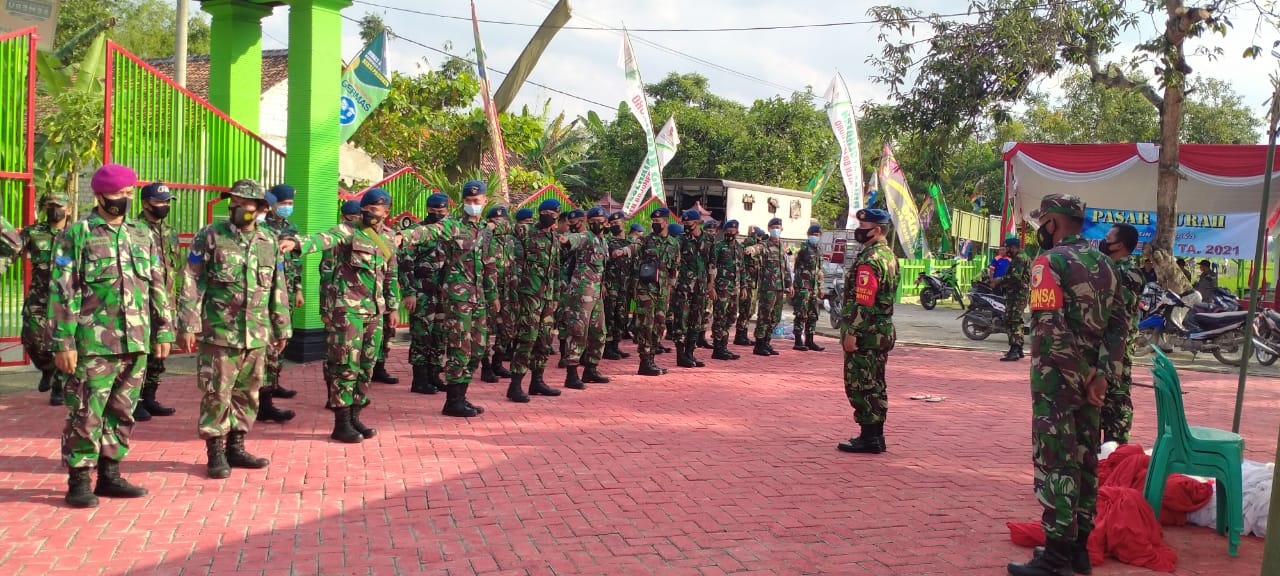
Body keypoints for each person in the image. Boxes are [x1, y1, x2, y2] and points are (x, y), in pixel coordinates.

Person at [1007, 194, 1123, 576]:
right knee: (1087, 460)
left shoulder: (1049, 262)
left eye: (1043, 221)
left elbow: (1050, 326)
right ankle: (1079, 552)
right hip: (1092, 386)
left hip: (1058, 382)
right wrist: (1101, 375)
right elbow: (1120, 328)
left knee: (1056, 461)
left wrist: (1079, 377)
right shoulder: (1106, 265)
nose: (1041, 228)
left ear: (1053, 223)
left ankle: (1055, 556)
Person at [49, 164, 174, 507]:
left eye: (130, 194)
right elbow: (62, 291)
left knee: (122, 410)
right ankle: (78, 480)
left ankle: (110, 474)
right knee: (86, 413)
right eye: (119, 194)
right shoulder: (78, 234)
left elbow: (157, 284)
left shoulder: (141, 234)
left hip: (136, 340)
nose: (126, 200)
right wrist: (63, 341)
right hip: (92, 344)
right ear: (101, 196)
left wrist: (164, 328)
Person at [179, 178, 289, 480]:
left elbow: (277, 288)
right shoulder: (210, 236)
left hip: (256, 333)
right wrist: (188, 322)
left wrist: (282, 327)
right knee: (216, 393)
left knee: (248, 392)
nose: (237, 207)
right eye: (234, 202)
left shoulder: (269, 242)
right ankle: (215, 452)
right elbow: (191, 279)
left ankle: (236, 446)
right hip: (219, 332)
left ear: (260, 208)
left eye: (244, 203)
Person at [374, 180, 498, 417]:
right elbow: (428, 230)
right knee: (459, 347)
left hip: (479, 296)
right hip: (457, 296)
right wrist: (403, 236)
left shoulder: (485, 229)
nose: (473, 205)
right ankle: (453, 401)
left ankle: (462, 394)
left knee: (478, 347)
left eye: (477, 201)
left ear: (484, 201)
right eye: (469, 201)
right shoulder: (452, 225)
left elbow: (489, 264)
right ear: (463, 202)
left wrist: (493, 296)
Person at [290, 188, 399, 442]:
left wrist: (392, 307)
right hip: (347, 310)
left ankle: (355, 416)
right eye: (367, 208)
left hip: (375, 312)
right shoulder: (349, 231)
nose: (370, 212)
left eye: (376, 209)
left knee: (367, 365)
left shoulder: (388, 238)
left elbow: (391, 274)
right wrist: (298, 244)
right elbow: (323, 239)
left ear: (386, 212)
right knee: (345, 365)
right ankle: (341, 422)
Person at [837, 209, 898, 454]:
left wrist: (852, 332)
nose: (860, 230)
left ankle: (869, 437)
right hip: (880, 331)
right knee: (876, 382)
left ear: (878, 230)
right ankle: (876, 435)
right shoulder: (888, 256)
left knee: (861, 384)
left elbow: (865, 301)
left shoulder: (870, 260)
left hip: (867, 332)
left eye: (865, 226)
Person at [508, 199, 565, 401]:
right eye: (548, 212)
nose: (552, 216)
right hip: (529, 295)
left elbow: (556, 270)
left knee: (545, 340)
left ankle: (537, 381)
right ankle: (515, 385)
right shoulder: (526, 232)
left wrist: (556, 296)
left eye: (555, 213)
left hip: (548, 298)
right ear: (541, 213)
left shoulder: (554, 238)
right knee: (527, 339)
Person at [134, 182, 183, 420]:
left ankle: (150, 396)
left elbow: (176, 268)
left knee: (160, 355)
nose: (163, 206)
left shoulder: (170, 232)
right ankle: (135, 400)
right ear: (145, 203)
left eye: (166, 202)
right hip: (141, 304)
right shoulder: (133, 230)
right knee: (141, 354)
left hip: (167, 303)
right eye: (158, 202)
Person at [18, 191, 70, 405]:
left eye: (58, 205)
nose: (54, 209)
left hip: (66, 299)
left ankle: (58, 386)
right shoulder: (33, 232)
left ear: (68, 208)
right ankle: (48, 370)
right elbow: (12, 250)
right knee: (31, 339)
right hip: (38, 298)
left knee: (62, 343)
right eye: (49, 205)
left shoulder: (77, 233)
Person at [559, 206, 619, 389]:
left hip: (596, 293)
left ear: (605, 223)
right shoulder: (587, 237)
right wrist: (566, 239)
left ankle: (591, 369)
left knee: (599, 332)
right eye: (593, 221)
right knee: (578, 332)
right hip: (581, 293)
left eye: (599, 221)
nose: (596, 224)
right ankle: (571, 374)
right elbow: (575, 238)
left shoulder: (603, 242)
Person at [256, 186, 300, 422]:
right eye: (283, 202)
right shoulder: (261, 227)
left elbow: (296, 261)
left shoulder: (290, 228)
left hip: (283, 291)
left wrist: (299, 289)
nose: (287, 206)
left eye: (290, 202)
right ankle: (261, 400)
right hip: (259, 296)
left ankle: (271, 389)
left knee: (277, 345)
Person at [401, 193, 449, 395]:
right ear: (427, 209)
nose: (438, 214)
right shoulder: (415, 231)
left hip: (443, 293)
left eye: (442, 211)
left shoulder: (449, 231)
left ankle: (434, 375)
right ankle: (419, 379)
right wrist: (409, 292)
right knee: (422, 334)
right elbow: (405, 264)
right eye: (434, 210)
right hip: (421, 291)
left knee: (439, 334)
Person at [1100, 223, 1143, 445]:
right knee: (1104, 398)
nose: (1104, 241)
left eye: (1108, 238)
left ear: (1120, 245)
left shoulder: (1129, 273)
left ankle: (1117, 445)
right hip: (1106, 344)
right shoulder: (1111, 268)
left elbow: (1116, 311)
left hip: (1118, 347)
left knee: (1117, 397)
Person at [320, 201, 364, 397]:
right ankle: (333, 391)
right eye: (355, 217)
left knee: (353, 352)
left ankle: (350, 394)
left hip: (356, 302)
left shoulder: (366, 235)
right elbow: (326, 274)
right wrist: (325, 309)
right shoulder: (336, 235)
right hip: (336, 301)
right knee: (335, 350)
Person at [634, 208, 680, 376]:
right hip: (646, 290)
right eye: (653, 221)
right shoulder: (646, 239)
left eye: (658, 222)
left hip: (662, 292)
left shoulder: (674, 244)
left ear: (666, 222)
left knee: (660, 326)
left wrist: (668, 292)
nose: (655, 224)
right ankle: (644, 361)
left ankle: (651, 359)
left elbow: (673, 270)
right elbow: (633, 248)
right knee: (646, 325)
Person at [671, 210, 713, 368]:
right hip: (683, 286)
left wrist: (710, 284)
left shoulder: (709, 239)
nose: (687, 227)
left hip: (701, 287)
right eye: (685, 224)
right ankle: (680, 355)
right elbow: (673, 261)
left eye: (690, 224)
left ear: (699, 223)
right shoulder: (680, 240)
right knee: (681, 319)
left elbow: (712, 263)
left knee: (697, 319)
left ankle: (690, 353)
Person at [482, 205, 516, 382]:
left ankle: (498, 361)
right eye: (495, 220)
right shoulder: (485, 240)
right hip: (489, 291)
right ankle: (485, 366)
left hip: (507, 292)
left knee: (507, 329)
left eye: (502, 220)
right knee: (486, 330)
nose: (499, 223)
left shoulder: (510, 241)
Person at [753, 218, 791, 356]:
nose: (776, 229)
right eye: (774, 227)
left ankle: (767, 342)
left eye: (779, 227)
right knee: (764, 316)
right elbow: (757, 249)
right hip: (768, 287)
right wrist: (751, 249)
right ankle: (759, 344)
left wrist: (789, 284)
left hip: (780, 288)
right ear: (769, 228)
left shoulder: (783, 246)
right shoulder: (765, 245)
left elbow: (786, 267)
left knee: (776, 317)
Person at [709, 220, 743, 361]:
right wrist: (711, 286)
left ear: (737, 232)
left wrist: (744, 286)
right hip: (721, 287)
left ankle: (724, 345)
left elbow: (742, 269)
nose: (730, 233)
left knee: (731, 317)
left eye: (732, 231)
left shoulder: (739, 248)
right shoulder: (718, 246)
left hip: (734, 288)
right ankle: (718, 348)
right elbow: (712, 266)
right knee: (720, 317)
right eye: (727, 231)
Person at [602, 211, 633, 361]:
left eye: (617, 223)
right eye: (612, 224)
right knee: (609, 316)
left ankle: (615, 345)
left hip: (624, 287)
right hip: (610, 285)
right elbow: (601, 265)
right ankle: (607, 348)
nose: (615, 226)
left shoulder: (629, 245)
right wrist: (602, 284)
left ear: (624, 223)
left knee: (621, 317)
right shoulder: (607, 243)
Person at [791, 224, 825, 352]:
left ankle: (810, 340)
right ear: (808, 235)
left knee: (813, 314)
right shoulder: (803, 248)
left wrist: (821, 287)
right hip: (803, 286)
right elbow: (792, 253)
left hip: (814, 288)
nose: (815, 237)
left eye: (817, 235)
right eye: (813, 235)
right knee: (801, 313)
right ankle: (798, 340)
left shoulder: (819, 250)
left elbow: (820, 270)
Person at [996, 237, 1030, 361]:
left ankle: (1014, 349)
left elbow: (1015, 277)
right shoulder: (1021, 256)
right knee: (1017, 320)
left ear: (1013, 247)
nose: (1006, 251)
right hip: (1018, 293)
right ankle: (1018, 348)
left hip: (1017, 294)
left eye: (1007, 248)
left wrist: (999, 281)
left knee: (1012, 320)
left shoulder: (1019, 258)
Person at [735, 227, 763, 347]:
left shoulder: (755, 247)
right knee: (745, 309)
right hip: (747, 283)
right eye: (759, 237)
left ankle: (743, 334)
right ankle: (740, 334)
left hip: (753, 284)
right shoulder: (748, 246)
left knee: (750, 310)